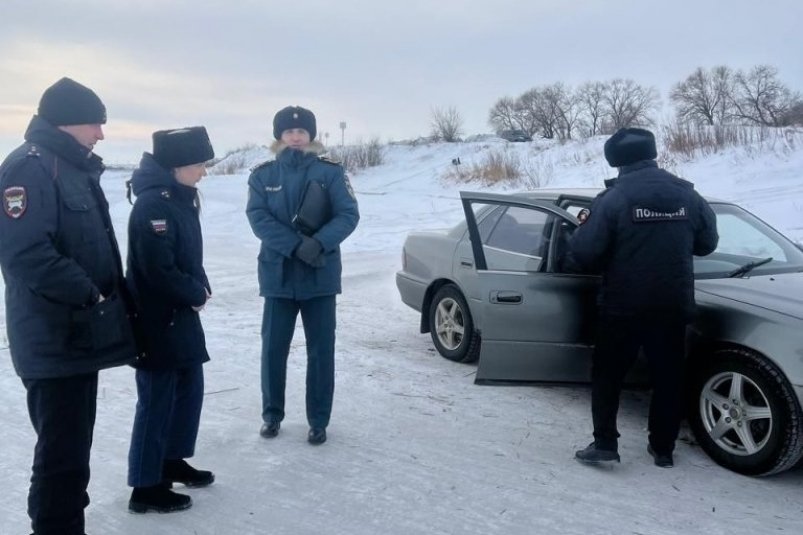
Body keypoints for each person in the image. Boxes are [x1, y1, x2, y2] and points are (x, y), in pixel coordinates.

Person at [0, 77, 138, 535]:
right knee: (61, 458)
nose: (101, 133)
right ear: (66, 122)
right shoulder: (30, 169)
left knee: (71, 454)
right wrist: (89, 292)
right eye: (95, 123)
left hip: (78, 336)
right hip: (52, 339)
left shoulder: (67, 165)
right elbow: (24, 253)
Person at [569, 127, 718, 468]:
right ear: (652, 153)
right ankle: (663, 449)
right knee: (668, 377)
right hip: (672, 307)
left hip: (622, 308)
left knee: (608, 375)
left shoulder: (613, 199)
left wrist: (579, 232)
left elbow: (586, 254)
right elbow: (707, 244)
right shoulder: (688, 195)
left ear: (616, 161)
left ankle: (605, 443)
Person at [246, 106, 359, 445]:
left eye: (301, 131)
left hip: (319, 275)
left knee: (321, 351)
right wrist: (296, 245)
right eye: (288, 131)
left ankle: (319, 420)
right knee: (273, 349)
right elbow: (258, 218)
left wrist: (320, 243)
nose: (295, 136)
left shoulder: (330, 173)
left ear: (312, 135)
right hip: (278, 274)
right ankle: (272, 415)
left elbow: (348, 214)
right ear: (278, 135)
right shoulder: (263, 175)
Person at [125, 127, 216, 513]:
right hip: (157, 321)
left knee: (189, 389)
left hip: (181, 316)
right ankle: (145, 486)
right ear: (177, 166)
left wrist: (202, 285)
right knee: (157, 400)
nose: (203, 172)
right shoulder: (153, 206)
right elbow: (157, 269)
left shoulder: (181, 198)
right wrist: (195, 293)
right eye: (199, 165)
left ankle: (171, 459)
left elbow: (188, 256)